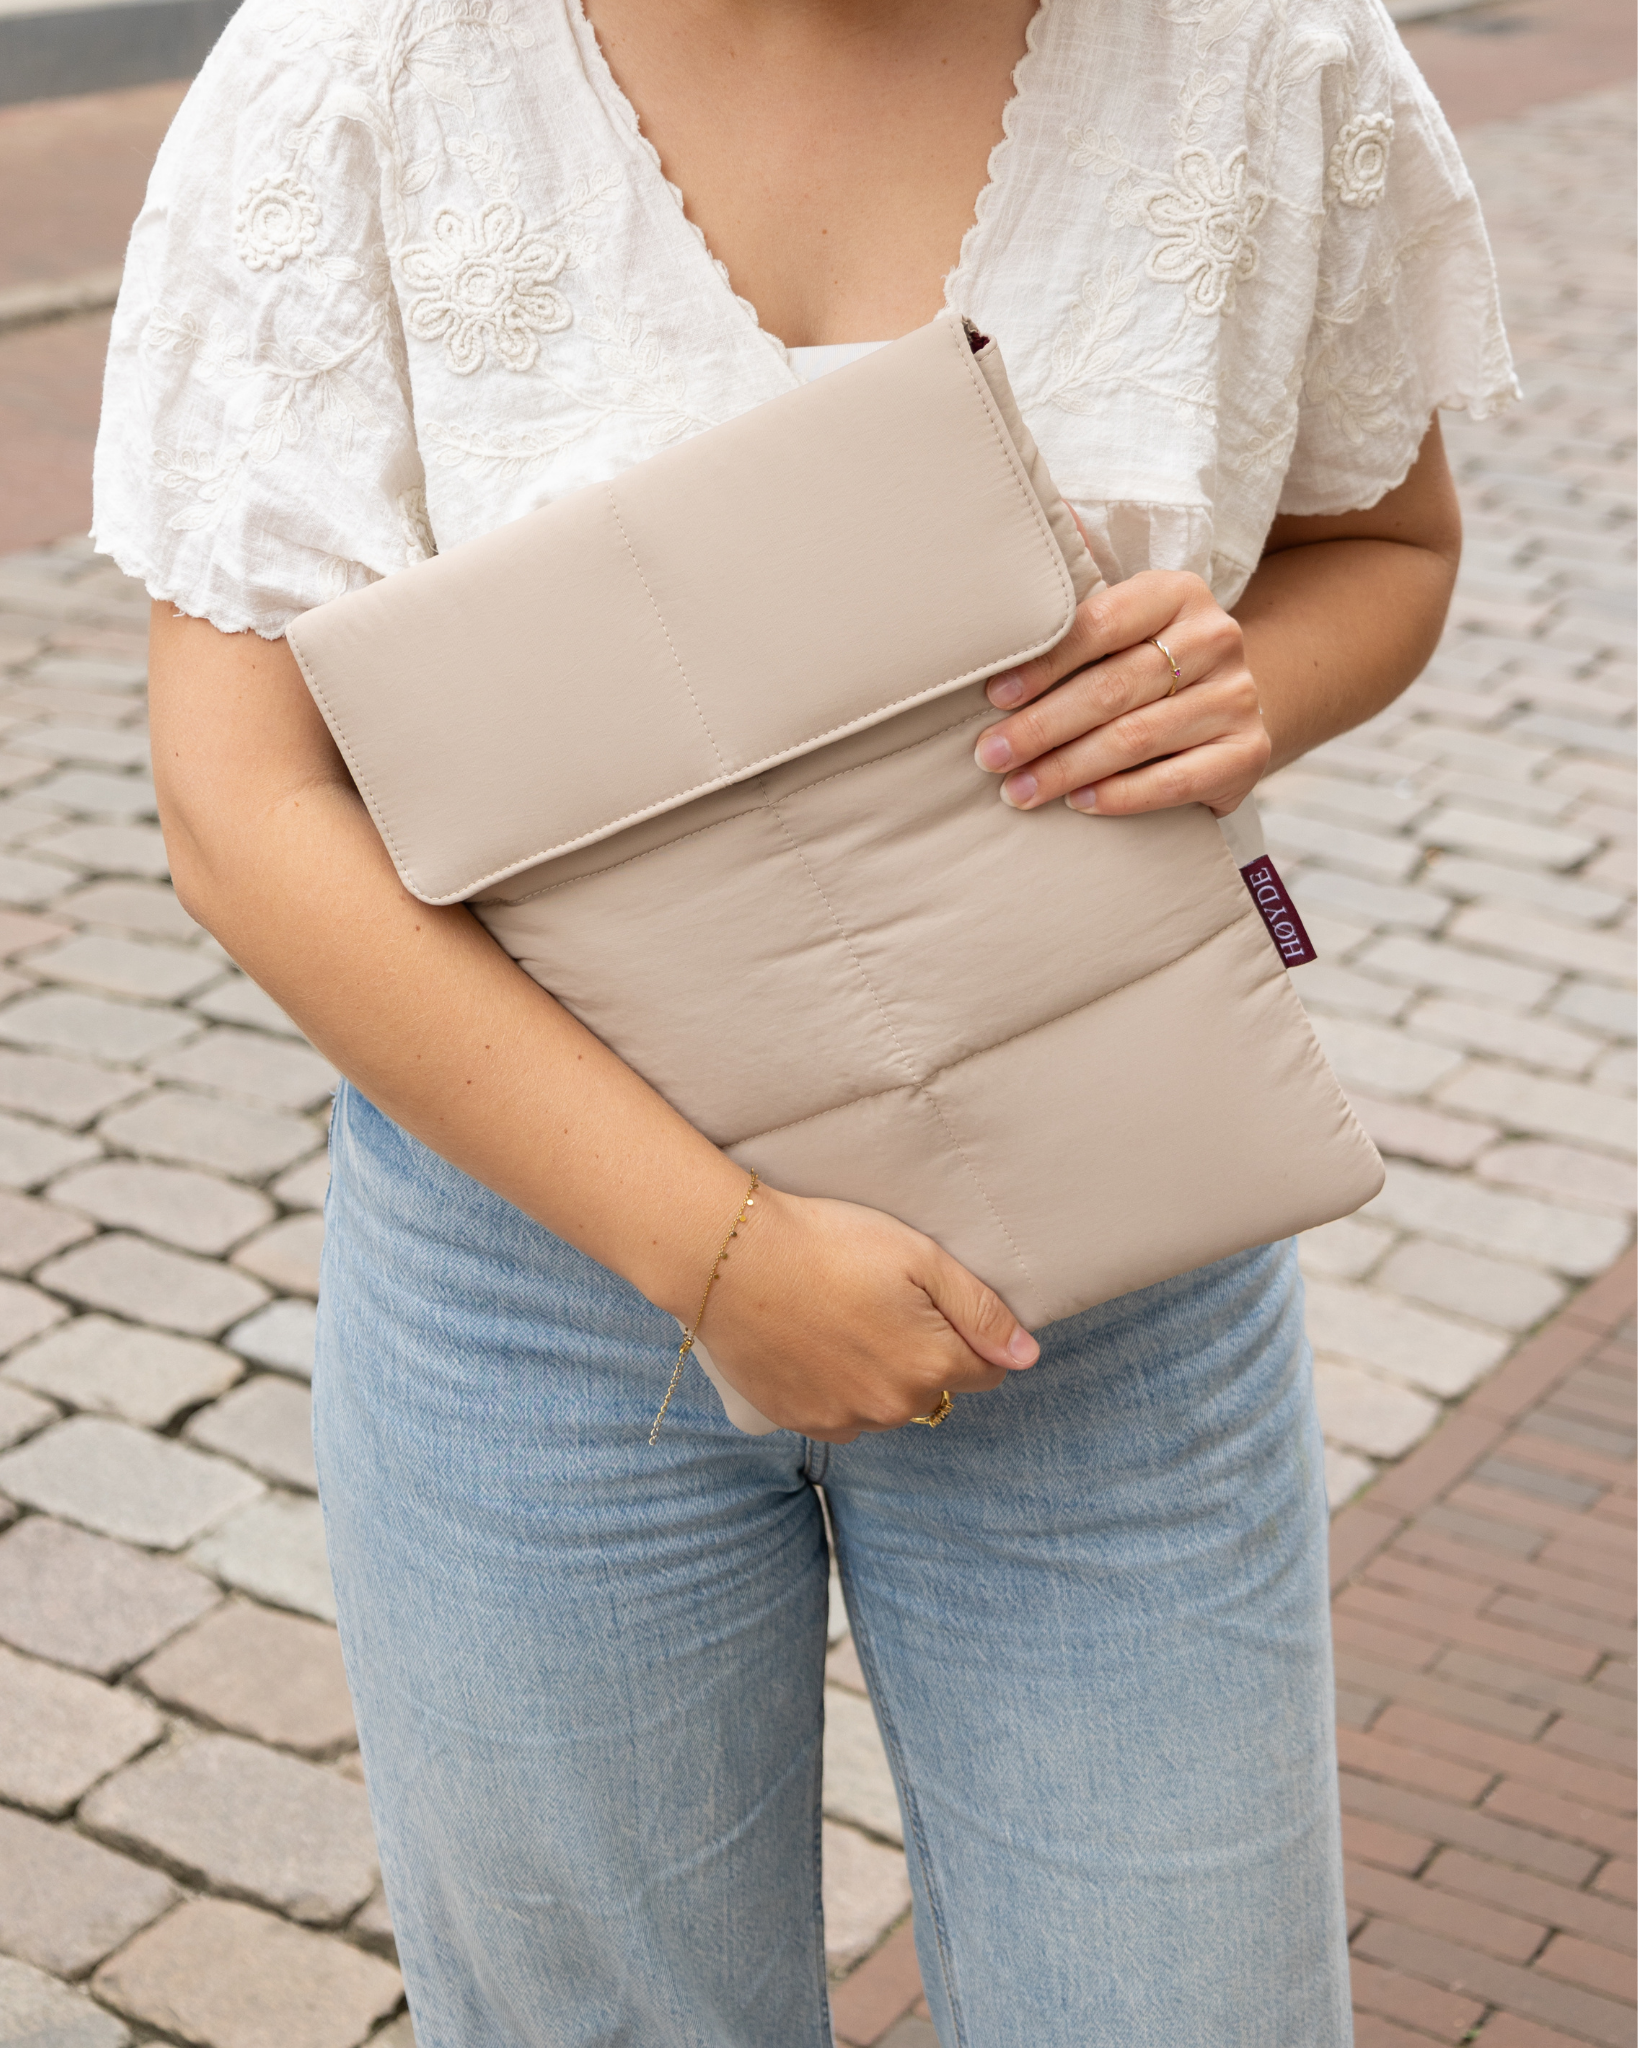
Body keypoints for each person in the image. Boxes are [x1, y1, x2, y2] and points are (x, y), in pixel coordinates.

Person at [93, 2, 1515, 2041]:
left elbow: (1381, 541)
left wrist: (1244, 690)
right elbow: (244, 801)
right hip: (541, 1284)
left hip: (1121, 1273)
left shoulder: (1261, 47)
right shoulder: (363, 71)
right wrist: (718, 1250)